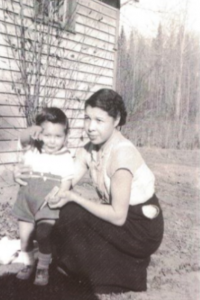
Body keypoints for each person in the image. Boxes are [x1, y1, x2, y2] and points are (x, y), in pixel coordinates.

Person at [14, 89, 164, 294]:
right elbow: (62, 182)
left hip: (140, 228)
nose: (90, 127)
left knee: (71, 211)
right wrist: (24, 173)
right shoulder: (89, 149)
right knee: (60, 210)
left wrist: (74, 197)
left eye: (99, 120)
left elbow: (119, 216)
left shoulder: (122, 155)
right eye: (87, 118)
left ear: (116, 120)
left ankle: (125, 267)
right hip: (122, 219)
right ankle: (105, 263)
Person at [12, 107, 74, 286]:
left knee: (43, 234)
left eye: (58, 136)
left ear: (65, 136)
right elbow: (22, 139)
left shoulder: (66, 157)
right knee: (25, 238)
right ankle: (28, 264)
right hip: (26, 200)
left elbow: (66, 181)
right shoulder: (32, 149)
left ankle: (43, 268)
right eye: (47, 135)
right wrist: (29, 132)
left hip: (48, 201)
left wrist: (60, 197)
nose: (53, 141)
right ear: (39, 134)